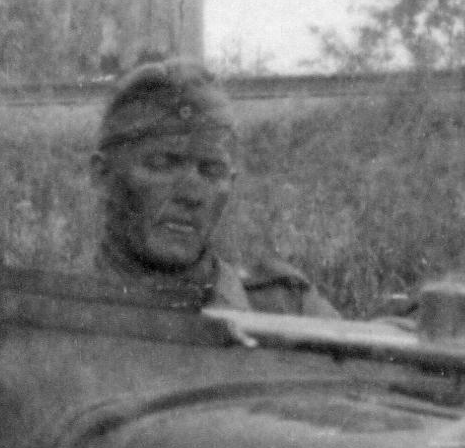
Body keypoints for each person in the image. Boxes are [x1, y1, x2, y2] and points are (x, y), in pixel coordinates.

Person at [90, 57, 334, 314]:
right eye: (162, 164)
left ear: (231, 181)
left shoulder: (288, 308)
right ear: (102, 175)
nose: (191, 195)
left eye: (211, 170)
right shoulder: (62, 304)